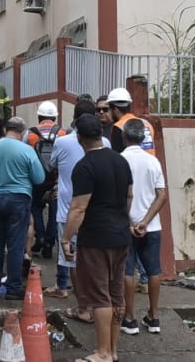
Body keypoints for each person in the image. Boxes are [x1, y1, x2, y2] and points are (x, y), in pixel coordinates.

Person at [61, 114, 133, 362]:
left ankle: (102, 352)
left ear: (79, 137)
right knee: (116, 295)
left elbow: (79, 208)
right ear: (101, 134)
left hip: (96, 238)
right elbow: (129, 196)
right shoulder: (120, 161)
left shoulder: (85, 166)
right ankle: (112, 351)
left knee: (100, 297)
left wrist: (66, 238)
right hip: (121, 234)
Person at [46, 99, 108, 305]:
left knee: (69, 256)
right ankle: (93, 298)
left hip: (68, 208)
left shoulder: (62, 142)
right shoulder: (105, 144)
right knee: (93, 259)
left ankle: (72, 295)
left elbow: (52, 164)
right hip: (96, 210)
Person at [0, 115, 44, 301]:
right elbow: (39, 178)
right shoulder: (27, 150)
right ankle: (13, 287)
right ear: (23, 132)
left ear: (5, 130)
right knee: (16, 246)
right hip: (19, 199)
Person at [121, 118, 169, 336]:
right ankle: (154, 316)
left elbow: (119, 196)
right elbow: (162, 195)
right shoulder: (153, 161)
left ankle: (129, 318)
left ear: (124, 136)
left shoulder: (120, 160)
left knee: (127, 270)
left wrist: (132, 222)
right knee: (153, 271)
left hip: (126, 225)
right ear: (143, 137)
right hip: (151, 226)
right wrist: (146, 221)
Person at [26, 101, 64, 260]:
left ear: (39, 116)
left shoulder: (31, 133)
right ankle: (49, 243)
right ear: (55, 117)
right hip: (56, 178)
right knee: (55, 210)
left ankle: (40, 236)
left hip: (37, 178)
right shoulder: (63, 132)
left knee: (35, 206)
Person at [106, 87, 154, 154]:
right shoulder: (147, 124)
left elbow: (117, 156)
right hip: (150, 163)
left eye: (109, 109)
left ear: (115, 109)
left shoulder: (118, 127)